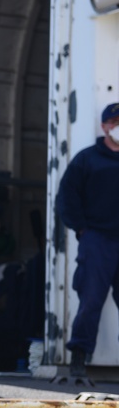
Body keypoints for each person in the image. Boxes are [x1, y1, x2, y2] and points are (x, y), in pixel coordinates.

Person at [55, 102, 119, 379]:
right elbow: (66, 197)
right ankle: (79, 358)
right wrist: (81, 229)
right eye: (114, 121)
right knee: (91, 299)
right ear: (105, 126)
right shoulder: (87, 159)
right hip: (97, 239)